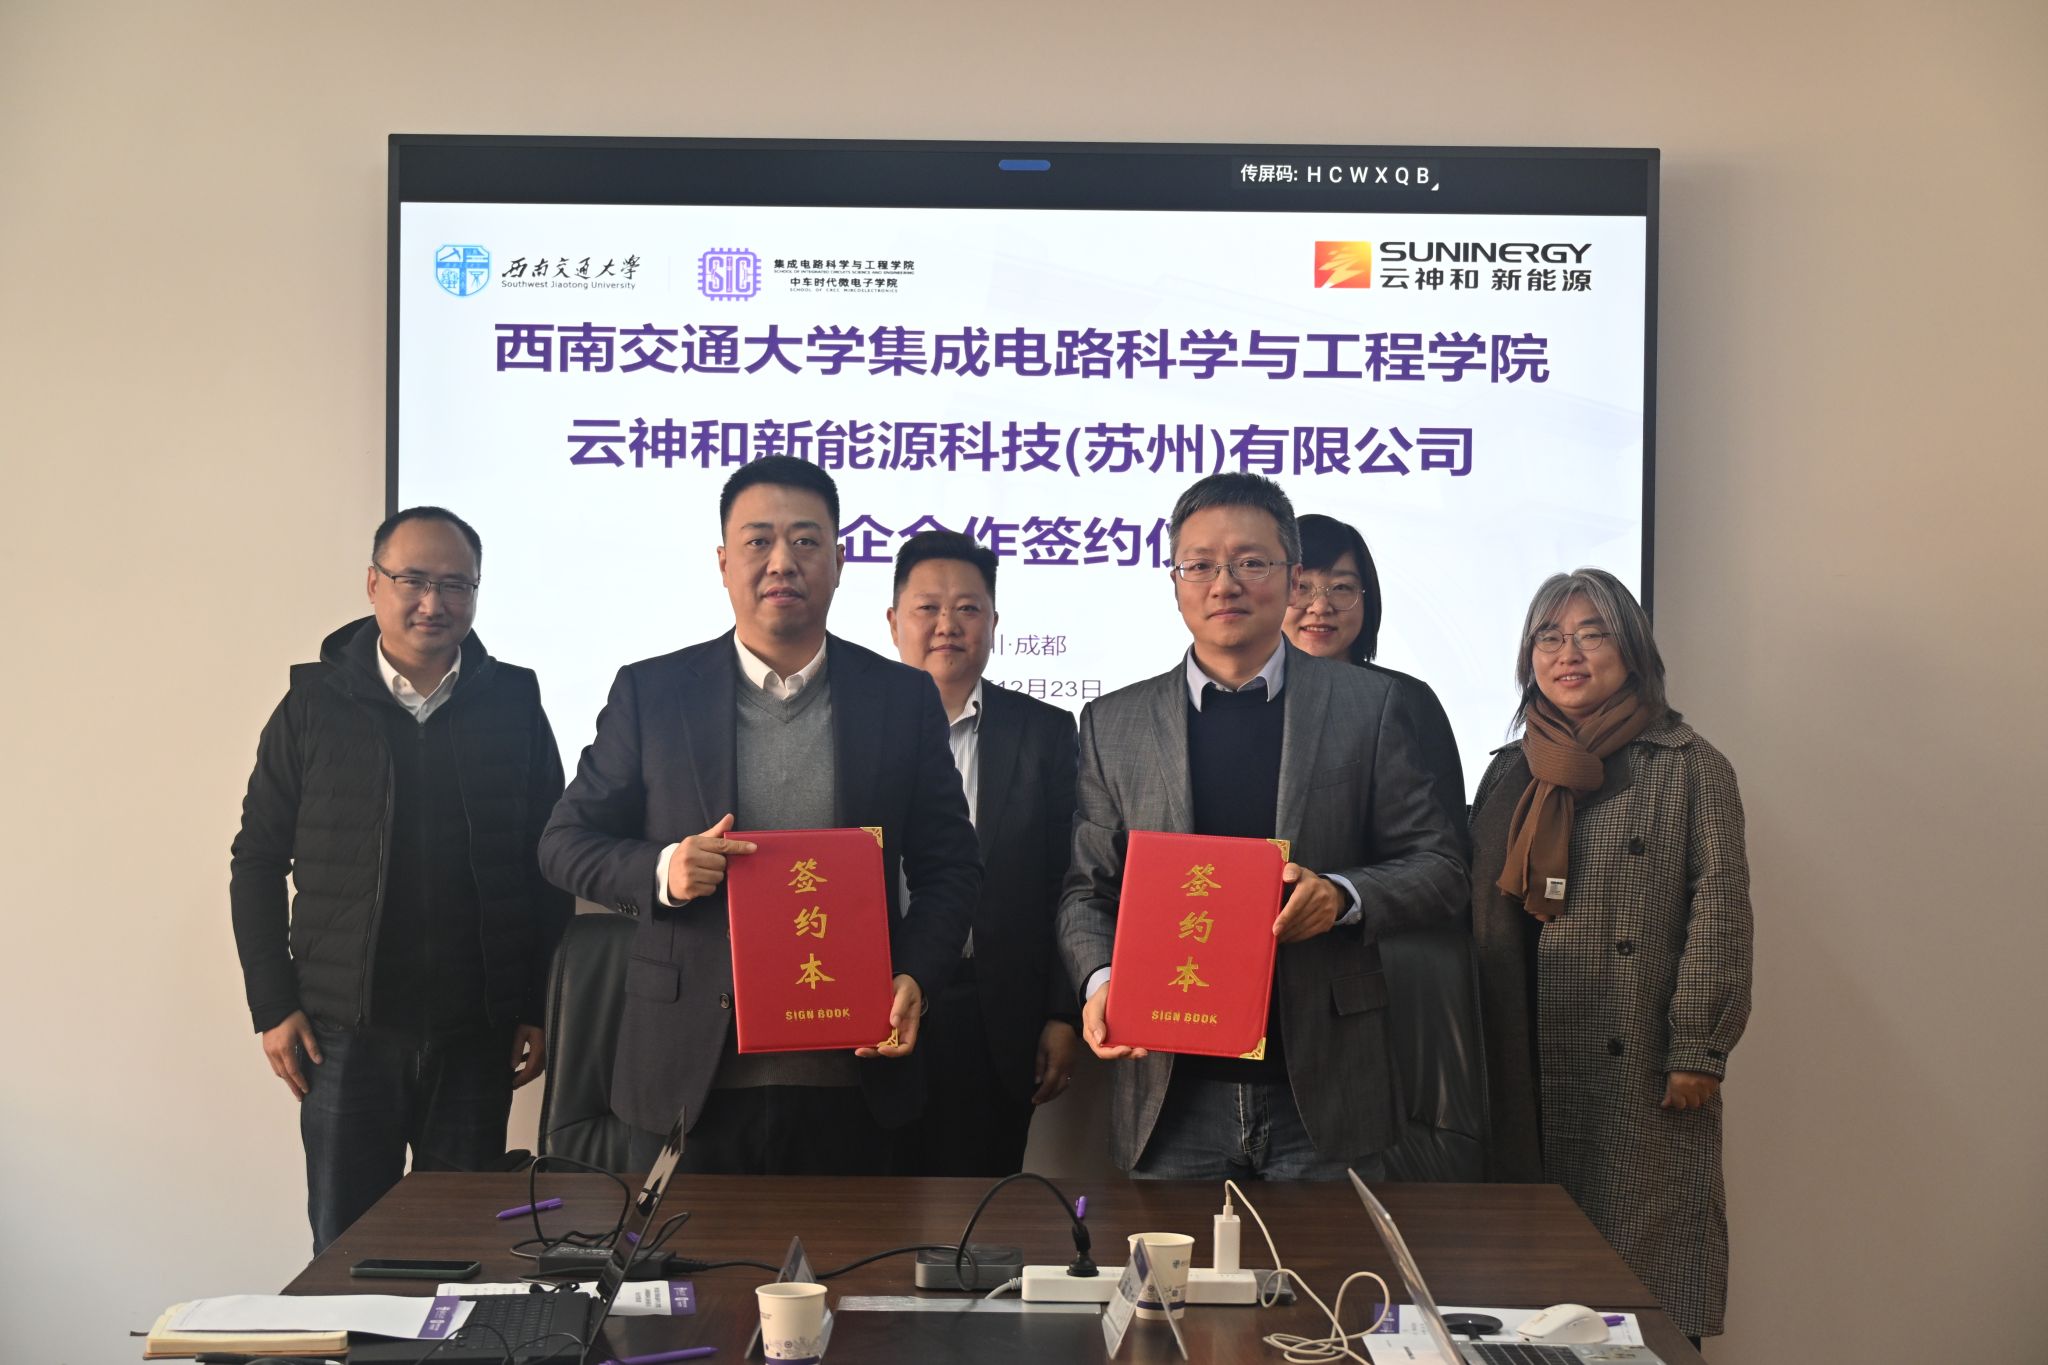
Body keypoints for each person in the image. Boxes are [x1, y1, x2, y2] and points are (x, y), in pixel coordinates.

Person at [538, 457, 979, 1174]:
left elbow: (952, 868)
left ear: (839, 561)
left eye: (806, 541)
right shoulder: (653, 693)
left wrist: (917, 976)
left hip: (855, 1078)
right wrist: (664, 869)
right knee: (681, 1256)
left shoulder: (901, 698)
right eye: (758, 541)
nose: (782, 562)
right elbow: (564, 843)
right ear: (723, 562)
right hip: (691, 1079)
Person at [1057, 473, 1467, 1179]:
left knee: (1331, 1259)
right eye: (1200, 564)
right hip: (1170, 1097)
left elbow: (1441, 868)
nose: (1225, 584)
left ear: (1289, 575)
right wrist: (1102, 982)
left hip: (1326, 1089)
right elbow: (1085, 893)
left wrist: (1342, 896)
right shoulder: (1113, 724)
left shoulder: (1369, 707)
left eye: (1251, 561)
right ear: (1175, 581)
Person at [230, 506, 570, 1253]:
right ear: (373, 584)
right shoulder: (313, 704)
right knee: (348, 1250)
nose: (433, 602)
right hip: (343, 1035)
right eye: (413, 579)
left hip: (476, 1031)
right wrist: (273, 1003)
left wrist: (537, 1004)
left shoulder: (513, 702)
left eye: (456, 585)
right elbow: (255, 859)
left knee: (463, 1249)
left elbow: (547, 862)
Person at [1468, 568, 1753, 1344]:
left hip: (1637, 1060)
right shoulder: (1509, 769)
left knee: (1640, 1292)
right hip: (1520, 1052)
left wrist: (1699, 1045)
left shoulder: (1688, 764)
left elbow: (1720, 910)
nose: (1568, 653)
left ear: (1632, 650)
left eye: (1592, 634)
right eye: (1549, 637)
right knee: (1529, 1294)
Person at [884, 531, 1081, 1176]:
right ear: (893, 622)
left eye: (968, 608)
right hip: (871, 1006)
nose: (948, 625)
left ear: (994, 623)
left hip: (992, 1012)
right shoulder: (856, 729)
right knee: (864, 1206)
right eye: (928, 608)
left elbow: (1066, 882)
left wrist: (1061, 1014)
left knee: (980, 1212)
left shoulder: (1045, 733)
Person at [1282, 512, 1466, 841]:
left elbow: (1446, 849)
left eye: (1341, 587)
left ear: (1367, 599)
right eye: (1301, 587)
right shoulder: (1240, 695)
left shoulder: (1410, 700)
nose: (1320, 606)